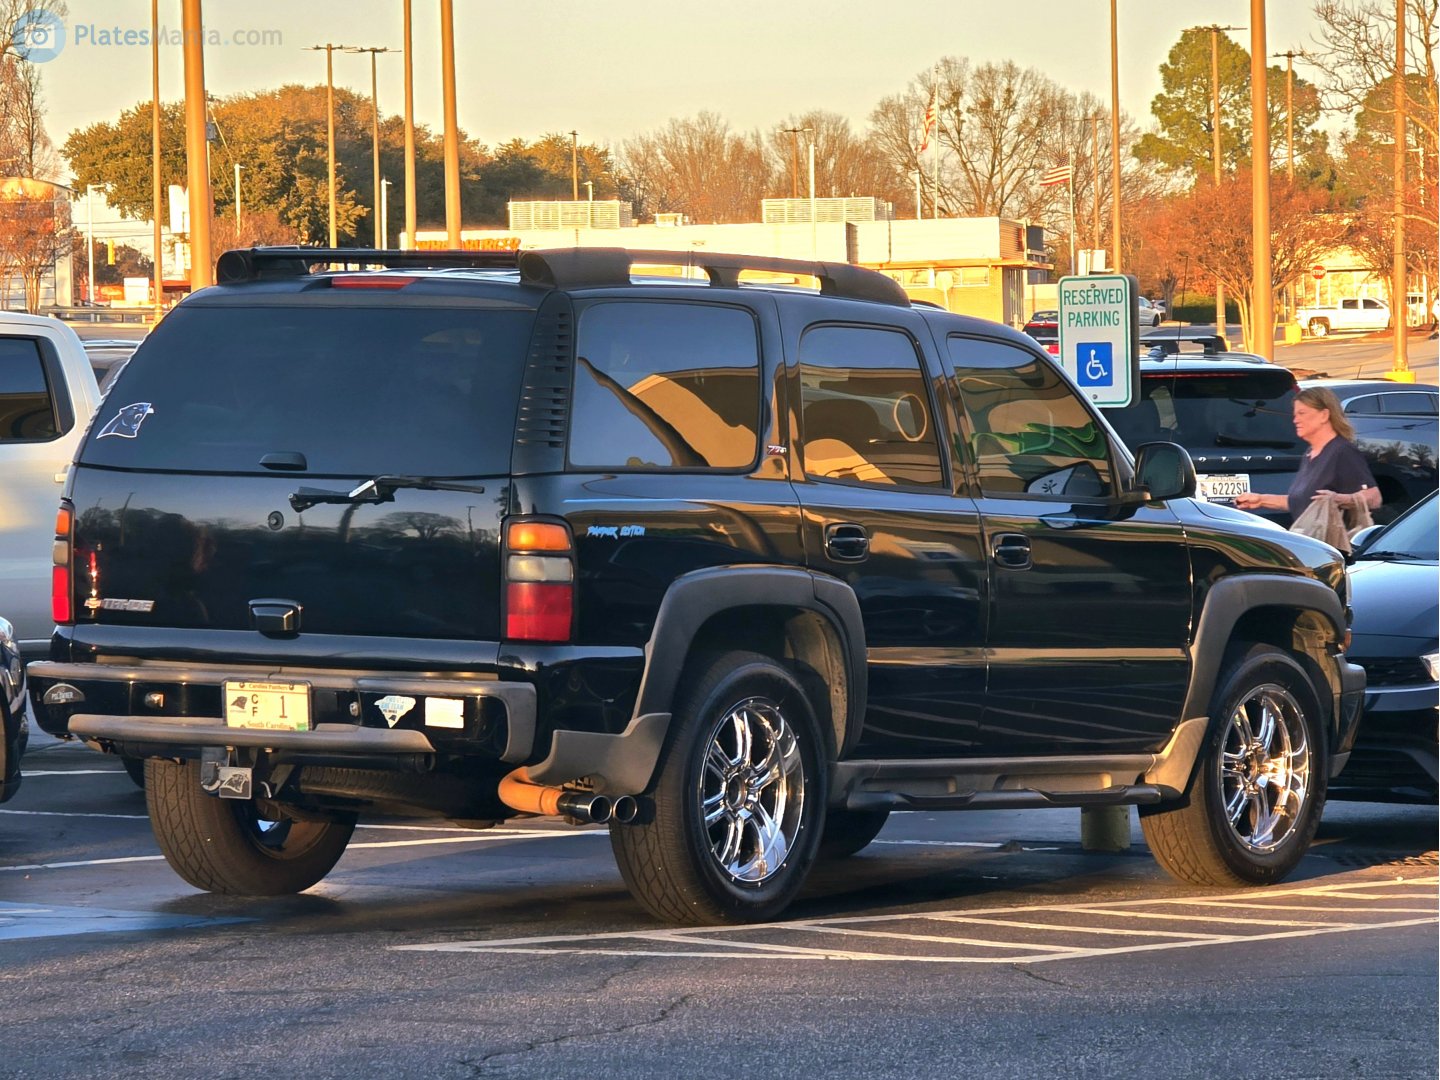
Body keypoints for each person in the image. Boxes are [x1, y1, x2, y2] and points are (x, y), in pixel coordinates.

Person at [1235, 386, 1379, 523]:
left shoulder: (1342, 451)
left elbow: (1374, 498)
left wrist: (1339, 499)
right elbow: (1301, 502)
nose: (1295, 420)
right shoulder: (1310, 453)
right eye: (1295, 415)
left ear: (1324, 415)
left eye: (1302, 413)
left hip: (1334, 539)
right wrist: (1261, 500)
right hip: (1309, 537)